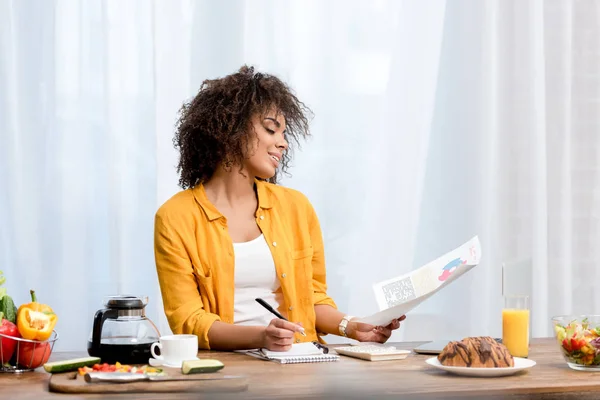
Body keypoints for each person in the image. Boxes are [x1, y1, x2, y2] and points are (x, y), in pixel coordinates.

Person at [154, 65, 405, 351]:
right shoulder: (175, 217)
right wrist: (261, 337)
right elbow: (188, 320)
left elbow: (312, 299)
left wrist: (352, 326)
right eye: (272, 129)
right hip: (226, 371)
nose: (283, 143)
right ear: (229, 129)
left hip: (300, 361)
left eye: (284, 133)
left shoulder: (296, 207)